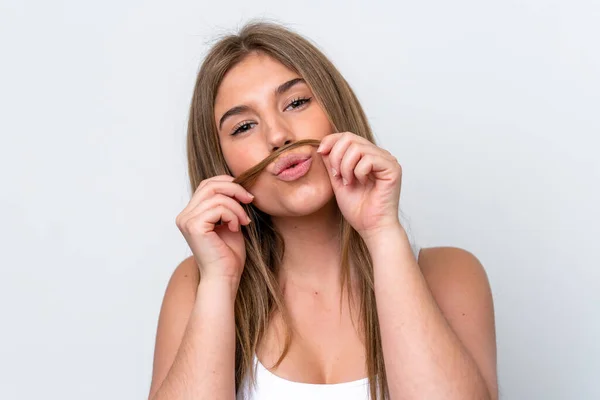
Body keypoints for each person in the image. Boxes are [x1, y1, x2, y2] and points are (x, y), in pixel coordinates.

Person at [147, 20, 498, 400]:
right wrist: (219, 282)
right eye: (244, 126)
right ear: (221, 163)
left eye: (296, 103)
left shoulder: (451, 275)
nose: (278, 135)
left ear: (336, 111)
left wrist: (382, 233)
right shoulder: (196, 286)